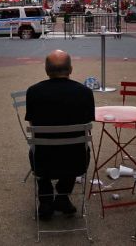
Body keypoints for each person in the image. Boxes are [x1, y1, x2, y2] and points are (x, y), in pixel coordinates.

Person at [25, 50, 95, 220]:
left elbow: (33, 125)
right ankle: (62, 196)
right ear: (70, 69)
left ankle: (46, 198)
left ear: (46, 70)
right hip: (76, 161)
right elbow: (87, 128)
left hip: (43, 160)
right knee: (79, 148)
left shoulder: (33, 92)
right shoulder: (85, 93)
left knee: (37, 149)